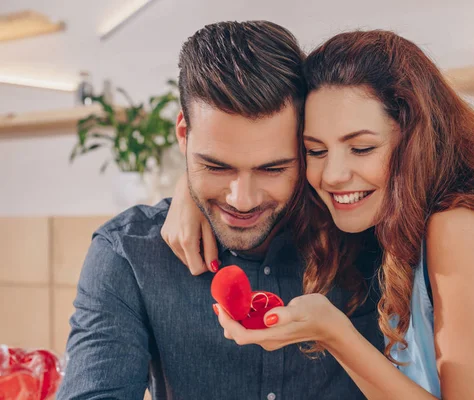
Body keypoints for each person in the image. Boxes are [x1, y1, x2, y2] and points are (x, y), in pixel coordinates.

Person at [164, 30, 474, 399]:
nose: (333, 174)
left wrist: (335, 333)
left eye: (362, 148)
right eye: (315, 151)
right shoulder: (401, 228)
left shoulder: (460, 226)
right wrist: (194, 187)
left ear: (413, 137)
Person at [56, 21, 383, 400]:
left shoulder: (364, 230)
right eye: (216, 166)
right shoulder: (127, 255)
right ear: (183, 134)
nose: (242, 200)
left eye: (272, 168)